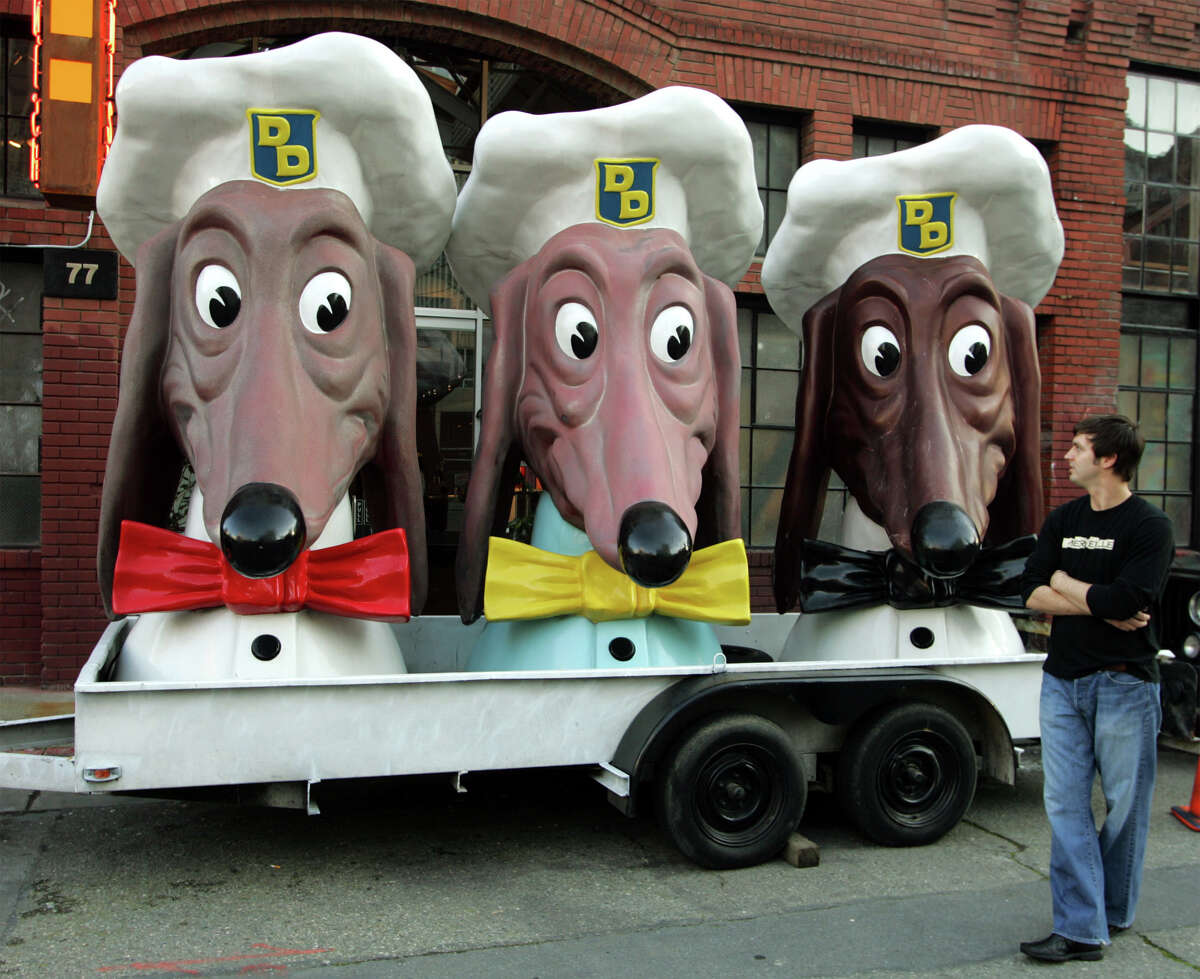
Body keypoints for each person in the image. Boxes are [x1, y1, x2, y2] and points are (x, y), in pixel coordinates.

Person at [1020, 414, 1174, 963]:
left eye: (1078, 448)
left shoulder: (1149, 527)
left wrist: (1066, 583)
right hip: (1062, 683)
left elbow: (1129, 603)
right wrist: (1085, 596)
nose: (1067, 456)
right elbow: (1030, 591)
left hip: (1125, 685)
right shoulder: (1063, 519)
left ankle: (1112, 911)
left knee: (1126, 807)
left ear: (1108, 459)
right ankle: (1082, 928)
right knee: (1064, 805)